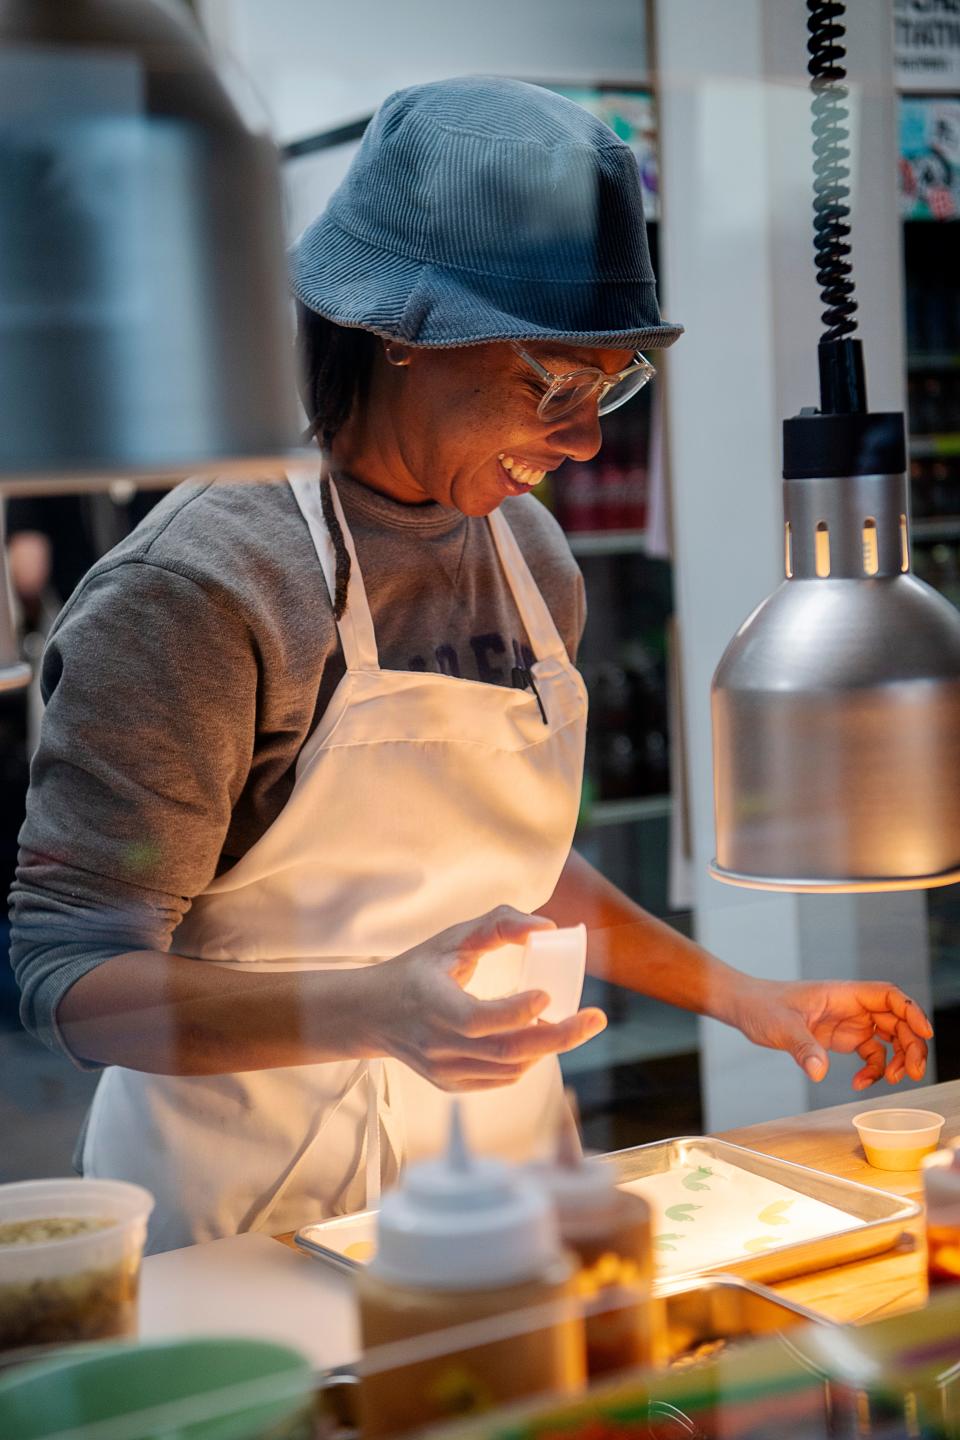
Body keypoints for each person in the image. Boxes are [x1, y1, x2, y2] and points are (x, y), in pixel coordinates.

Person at [9, 76, 931, 1254]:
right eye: (551, 382)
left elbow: (513, 870)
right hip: (258, 1214)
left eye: (612, 387)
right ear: (398, 334)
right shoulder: (202, 590)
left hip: (505, 1186)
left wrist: (747, 998)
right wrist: (374, 1010)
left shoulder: (530, 554)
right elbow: (71, 973)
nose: (589, 437)